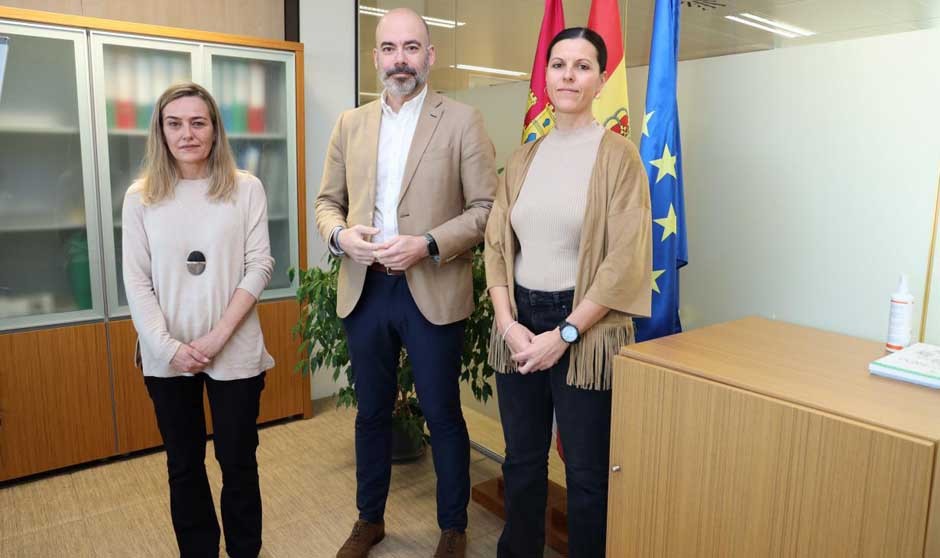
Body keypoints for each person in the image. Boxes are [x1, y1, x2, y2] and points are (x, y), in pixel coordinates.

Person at [315, 7, 497, 558]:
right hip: (366, 288)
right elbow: (327, 204)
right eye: (389, 48)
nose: (400, 59)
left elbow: (487, 209)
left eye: (411, 47)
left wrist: (429, 244)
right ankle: (369, 519)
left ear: (430, 55)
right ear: (376, 58)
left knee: (442, 413)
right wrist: (341, 237)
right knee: (371, 412)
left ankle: (453, 527)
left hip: (431, 287)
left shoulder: (462, 120)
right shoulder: (351, 123)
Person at [483, 27, 652, 558]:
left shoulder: (619, 157)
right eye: (559, 65)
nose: (569, 76)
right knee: (522, 461)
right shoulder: (525, 156)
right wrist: (508, 323)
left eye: (582, 66)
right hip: (519, 320)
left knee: (584, 473)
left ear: (602, 79)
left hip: (586, 325)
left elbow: (624, 258)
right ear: (546, 75)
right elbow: (495, 243)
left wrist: (567, 331)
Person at [123, 81, 274, 558]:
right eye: (174, 123)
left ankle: (245, 550)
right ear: (161, 131)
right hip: (165, 355)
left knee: (238, 461)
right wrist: (168, 348)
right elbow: (137, 281)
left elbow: (260, 265)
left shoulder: (245, 188)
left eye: (197, 122)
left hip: (234, 349)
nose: (186, 133)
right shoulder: (141, 197)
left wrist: (216, 337)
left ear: (214, 129)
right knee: (183, 464)